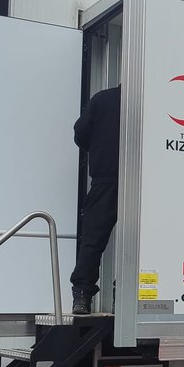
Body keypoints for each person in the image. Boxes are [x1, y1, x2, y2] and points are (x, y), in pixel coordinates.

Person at [71, 85, 121, 315]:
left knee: (92, 241)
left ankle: (82, 296)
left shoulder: (102, 99)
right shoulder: (153, 102)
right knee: (140, 243)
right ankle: (126, 294)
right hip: (142, 184)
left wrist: (101, 148)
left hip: (105, 179)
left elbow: (81, 133)